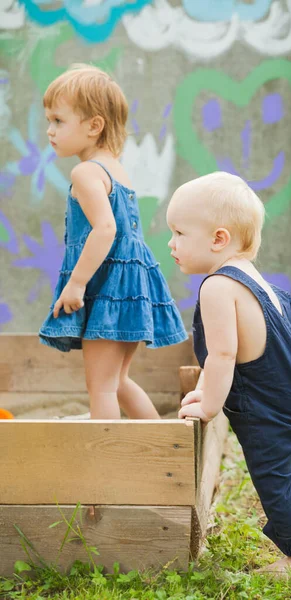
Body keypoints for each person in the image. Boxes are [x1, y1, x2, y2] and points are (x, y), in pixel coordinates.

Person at [166, 172, 291, 578]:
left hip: (270, 401)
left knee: (272, 473)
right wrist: (205, 385)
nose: (171, 243)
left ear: (218, 239)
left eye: (180, 233)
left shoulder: (217, 287)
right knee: (279, 469)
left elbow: (223, 354)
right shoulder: (249, 275)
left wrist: (209, 404)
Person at [39, 64, 187, 420]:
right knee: (117, 381)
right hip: (131, 287)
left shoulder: (86, 172)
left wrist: (76, 283)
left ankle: (106, 470)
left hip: (110, 290)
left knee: (102, 387)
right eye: (49, 121)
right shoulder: (115, 168)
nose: (49, 131)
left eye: (59, 121)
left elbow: (105, 229)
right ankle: (164, 450)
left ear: (94, 126)